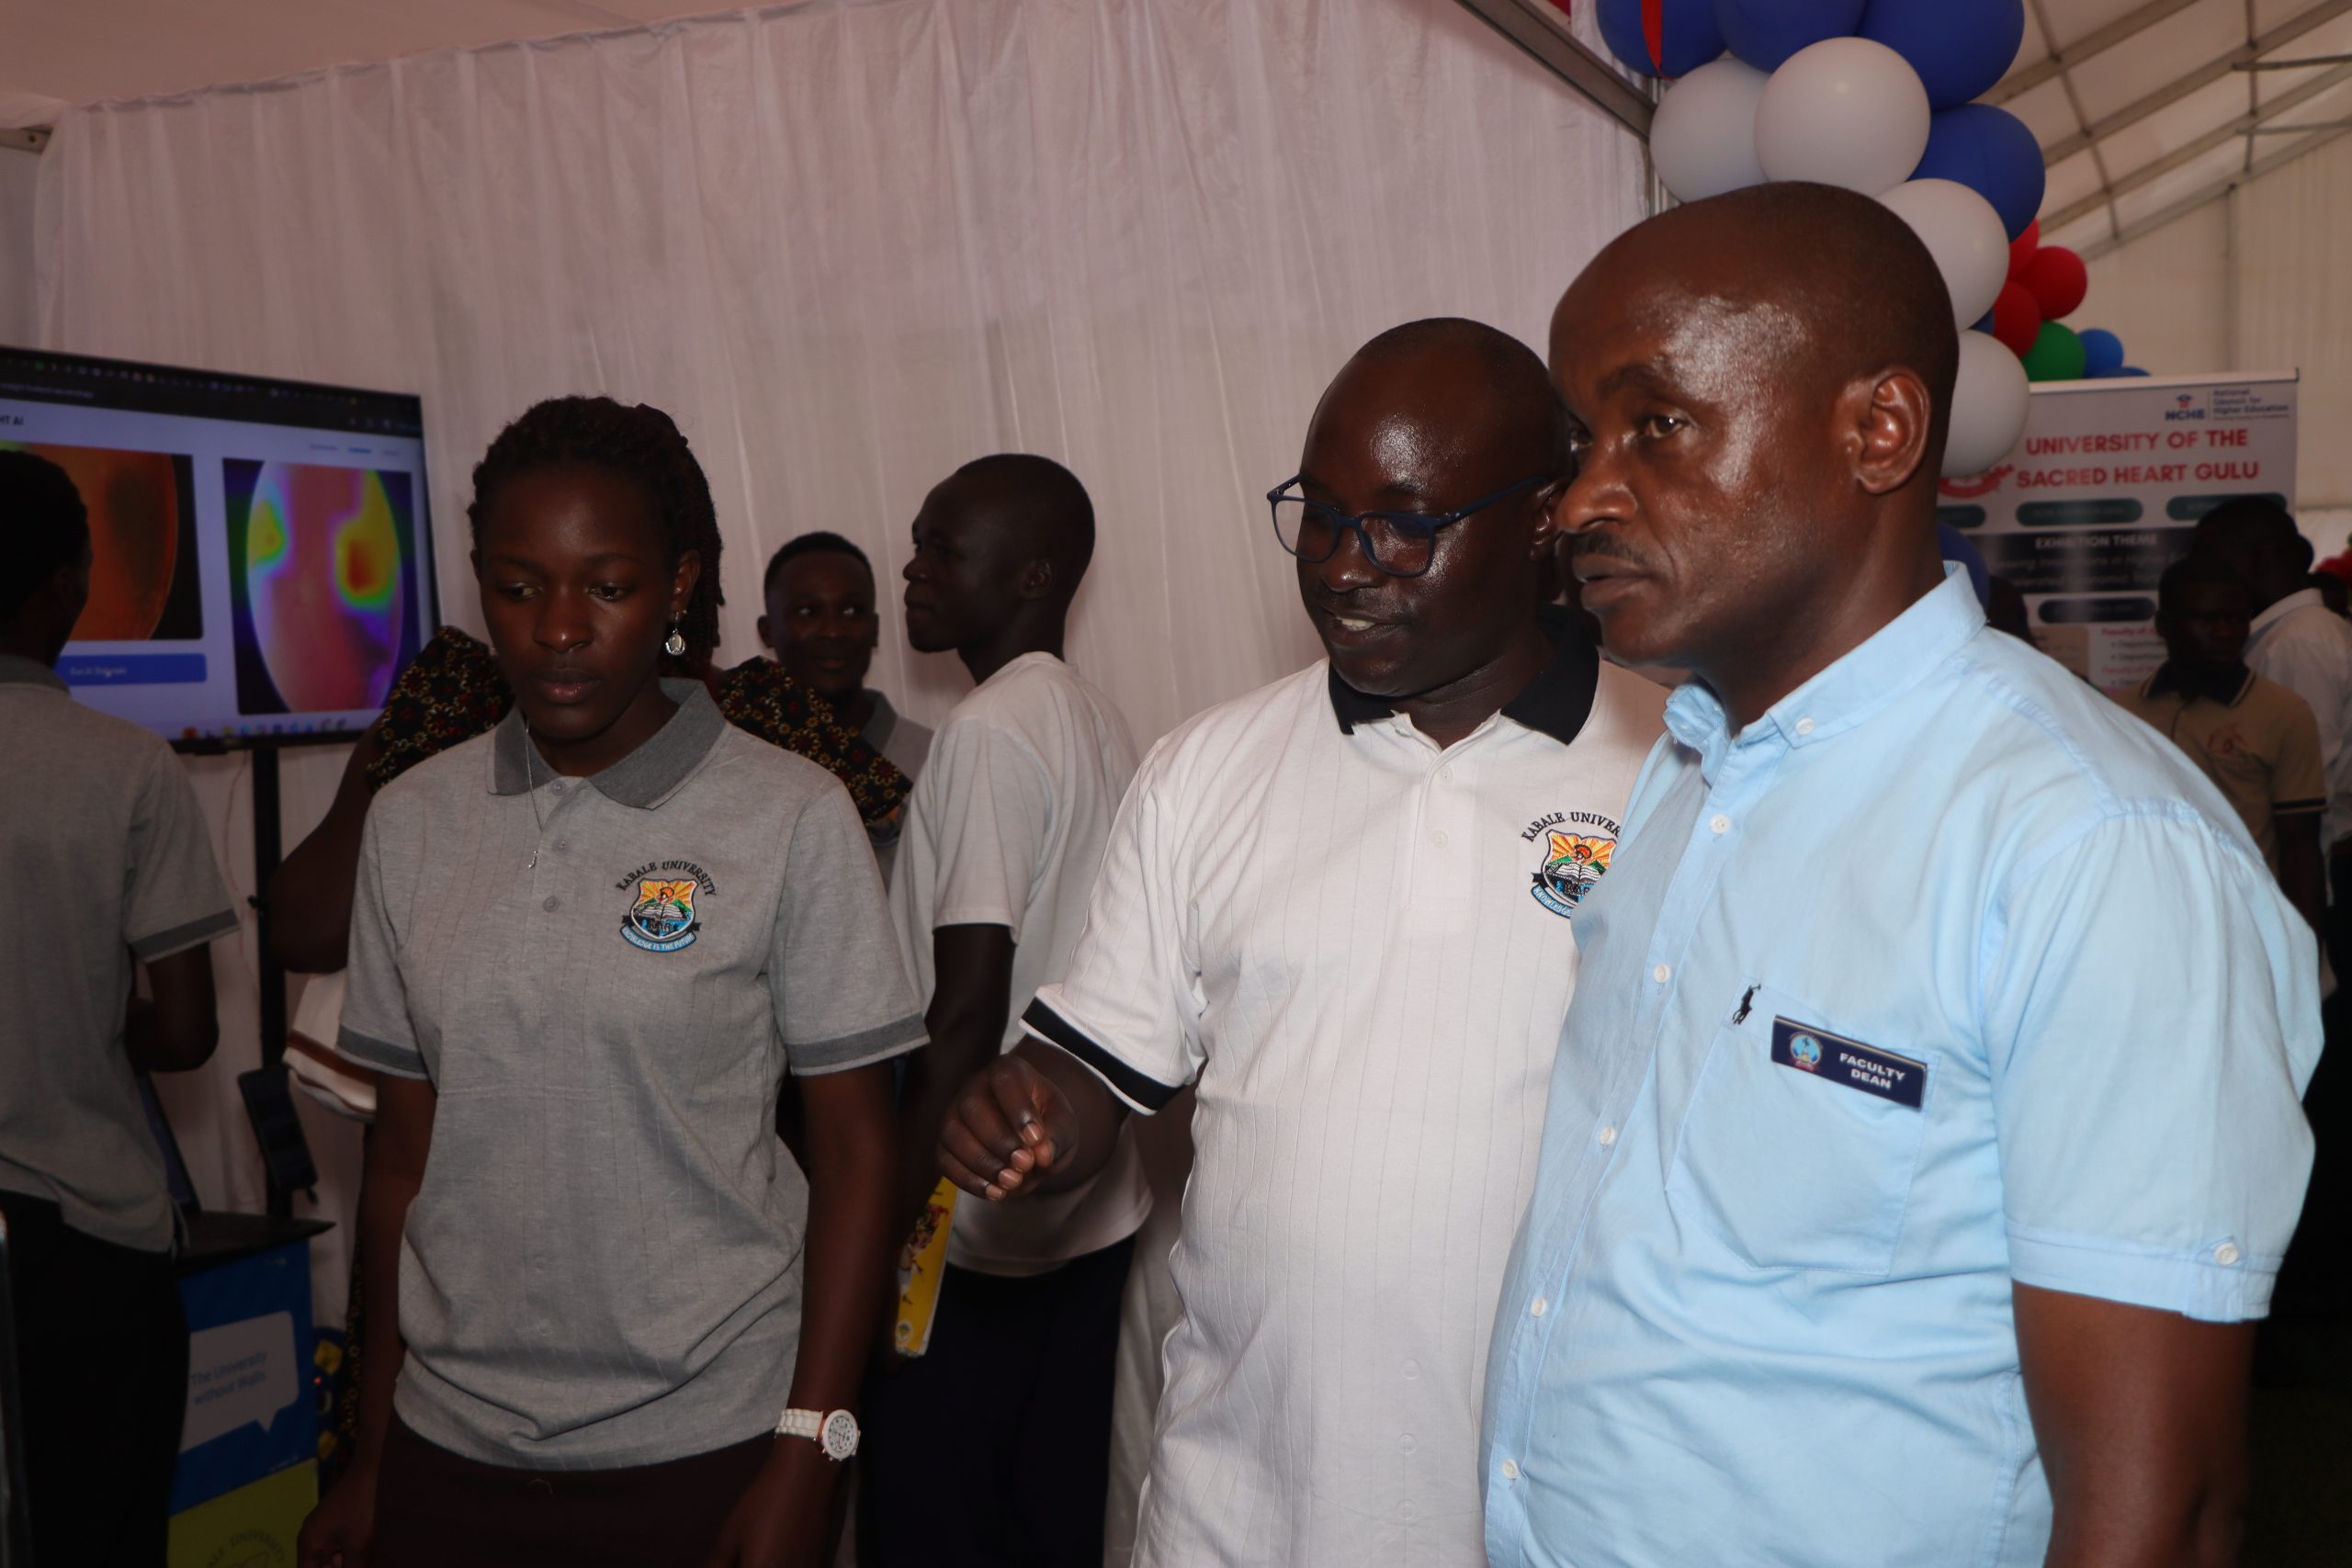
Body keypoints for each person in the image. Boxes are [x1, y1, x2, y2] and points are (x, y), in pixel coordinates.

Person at [1478, 182, 2319, 1568]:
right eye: (1583, 442)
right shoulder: (1691, 773)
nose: (1582, 499)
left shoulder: (2091, 846)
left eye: (1656, 424)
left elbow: (2157, 1512)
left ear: (1879, 432)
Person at [934, 320, 1666, 1565]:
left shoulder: (1673, 767)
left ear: (1542, 517)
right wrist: (1032, 1112)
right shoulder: (1207, 769)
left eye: (1402, 525)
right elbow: (1097, 1069)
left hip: (1550, 1518)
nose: (1340, 565)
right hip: (1239, 1506)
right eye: (1319, 515)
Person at [296, 397, 923, 1568]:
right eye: (518, 587)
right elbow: (400, 1164)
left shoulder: (789, 815)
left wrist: (814, 1453)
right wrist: (373, 1451)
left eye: (610, 587)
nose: (559, 630)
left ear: (677, 586)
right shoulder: (414, 820)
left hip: (713, 1447)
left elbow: (856, 1155)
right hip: (448, 1449)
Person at [857, 454, 1147, 1568]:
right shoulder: (1096, 717)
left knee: (930, 1527)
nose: (912, 570)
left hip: (972, 1231)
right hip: (1086, 1215)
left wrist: (882, 1237)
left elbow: (964, 1012)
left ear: (1032, 574)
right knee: (1046, 1525)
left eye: (942, 548)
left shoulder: (989, 729)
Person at [0, 449, 239, 1567]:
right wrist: (82, 1012)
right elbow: (184, 1031)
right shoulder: (128, 767)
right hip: (81, 1251)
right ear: (67, 586)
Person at [2112, 555, 2325, 931]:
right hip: (2149, 920)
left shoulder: (2284, 713)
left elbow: (2301, 847)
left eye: (2237, 619)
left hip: (2246, 924)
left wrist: (2305, 945)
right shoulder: (2122, 713)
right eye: (2207, 619)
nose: (2225, 632)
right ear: (2164, 626)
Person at [761, 531, 934, 884]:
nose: (833, 631)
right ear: (767, 631)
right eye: (808, 612)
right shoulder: (745, 763)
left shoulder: (933, 759)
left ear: (875, 629)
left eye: (852, 611)